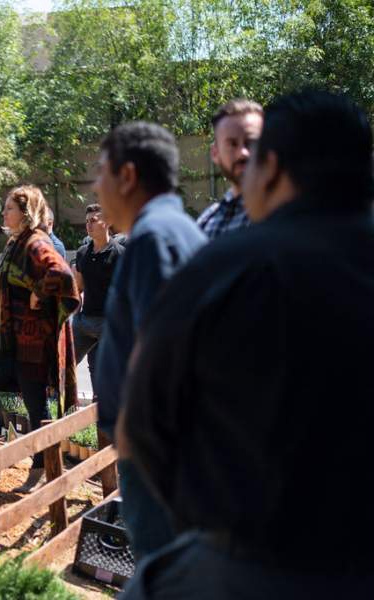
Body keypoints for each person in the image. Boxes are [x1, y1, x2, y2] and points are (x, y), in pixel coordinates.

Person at [118, 91, 374, 599]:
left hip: (254, 564)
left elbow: (141, 426)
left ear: (272, 167)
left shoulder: (221, 268)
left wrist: (212, 528)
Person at [92, 122, 206, 558]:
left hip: (156, 457)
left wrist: (129, 430)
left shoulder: (153, 239)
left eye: (101, 172)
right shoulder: (177, 230)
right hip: (167, 451)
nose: (96, 188)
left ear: (128, 176)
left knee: (164, 573)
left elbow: (163, 349)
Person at [0, 186, 80, 491]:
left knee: (36, 407)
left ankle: (41, 468)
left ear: (26, 212)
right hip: (5, 343)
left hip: (30, 343)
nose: (4, 213)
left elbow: (63, 276)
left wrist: (38, 291)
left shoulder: (36, 243)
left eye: (9, 208)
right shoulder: (14, 243)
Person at [72, 204, 124, 390]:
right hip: (85, 321)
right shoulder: (82, 253)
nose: (89, 225)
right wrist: (76, 315)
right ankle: (64, 407)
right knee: (63, 365)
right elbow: (78, 287)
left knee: (103, 370)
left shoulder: (119, 254)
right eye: (87, 221)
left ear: (107, 222)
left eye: (94, 220)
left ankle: (103, 407)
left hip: (108, 323)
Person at [197, 99, 263, 239]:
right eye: (232, 144)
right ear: (215, 153)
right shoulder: (205, 224)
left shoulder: (288, 216)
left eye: (251, 142)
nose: (243, 153)